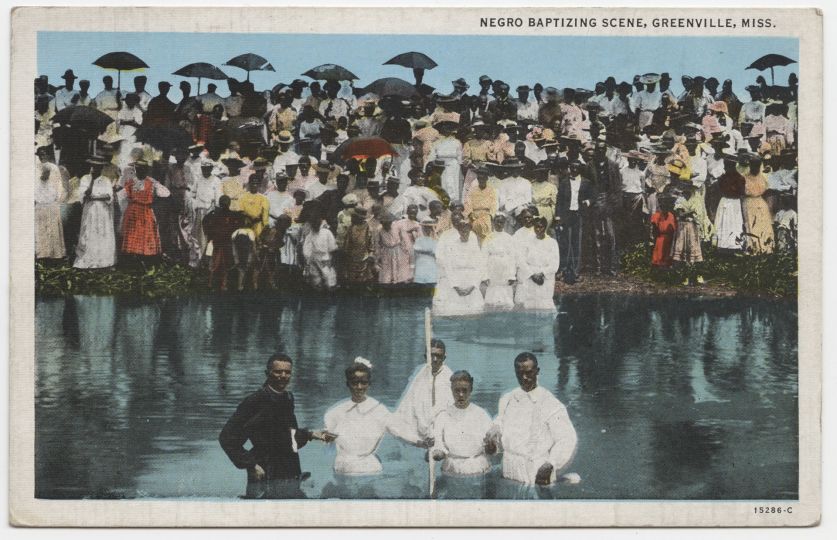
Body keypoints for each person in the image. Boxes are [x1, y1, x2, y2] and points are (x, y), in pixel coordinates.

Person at [219, 353, 334, 499]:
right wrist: (251, 465)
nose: (283, 376)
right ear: (267, 373)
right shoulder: (255, 401)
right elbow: (227, 438)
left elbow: (287, 439)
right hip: (264, 472)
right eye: (278, 372)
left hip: (290, 469)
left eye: (287, 372)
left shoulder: (287, 398)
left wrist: (311, 434)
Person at [487, 352, 578, 486]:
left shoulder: (550, 403)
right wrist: (494, 438)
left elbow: (567, 438)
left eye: (529, 373)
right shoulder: (507, 399)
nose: (524, 378)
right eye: (519, 373)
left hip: (536, 469)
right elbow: (500, 423)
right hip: (508, 467)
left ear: (537, 371)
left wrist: (551, 464)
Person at [430, 370, 495, 479]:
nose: (461, 395)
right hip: (452, 468)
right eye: (457, 390)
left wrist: (491, 447)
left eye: (465, 390)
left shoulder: (481, 414)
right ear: (451, 390)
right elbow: (439, 445)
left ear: (471, 390)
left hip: (478, 467)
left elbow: (491, 450)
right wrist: (436, 454)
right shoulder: (443, 416)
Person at [394, 339, 455, 443]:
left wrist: (437, 433)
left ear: (444, 358)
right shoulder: (421, 375)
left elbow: (450, 408)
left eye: (438, 356)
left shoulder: (449, 377)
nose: (435, 359)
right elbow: (409, 404)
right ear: (426, 357)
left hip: (443, 432)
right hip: (421, 432)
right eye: (432, 355)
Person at [433, 219, 486, 317]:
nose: (464, 233)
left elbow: (480, 267)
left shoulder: (475, 247)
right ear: (458, 231)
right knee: (455, 312)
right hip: (456, 283)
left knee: (473, 314)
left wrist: (473, 286)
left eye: (467, 230)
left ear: (470, 230)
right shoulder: (452, 246)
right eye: (462, 230)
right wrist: (456, 286)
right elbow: (449, 268)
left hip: (471, 283)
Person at [121, 160, 171, 261]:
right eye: (137, 169)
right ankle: (134, 257)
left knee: (146, 233)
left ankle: (146, 257)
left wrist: (154, 196)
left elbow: (166, 193)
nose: (139, 171)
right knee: (133, 233)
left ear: (146, 170)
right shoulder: (131, 182)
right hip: (133, 212)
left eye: (142, 169)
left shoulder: (151, 182)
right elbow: (122, 195)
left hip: (145, 211)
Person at [74, 160, 117, 269]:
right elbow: (85, 195)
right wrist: (92, 180)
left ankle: (102, 260)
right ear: (92, 167)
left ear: (102, 168)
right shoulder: (85, 179)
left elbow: (109, 196)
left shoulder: (106, 180)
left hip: (102, 210)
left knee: (101, 232)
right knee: (89, 232)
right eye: (94, 167)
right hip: (91, 210)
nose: (96, 169)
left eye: (99, 167)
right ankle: (89, 259)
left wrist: (96, 197)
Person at [556, 160, 594, 284]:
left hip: (579, 214)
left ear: (580, 169)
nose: (574, 170)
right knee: (565, 242)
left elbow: (593, 196)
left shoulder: (586, 182)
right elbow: (559, 200)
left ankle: (575, 271)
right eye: (572, 168)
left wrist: (587, 202)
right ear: (569, 168)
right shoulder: (564, 182)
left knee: (577, 242)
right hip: (567, 214)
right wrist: (558, 216)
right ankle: (564, 269)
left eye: (577, 168)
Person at [514, 216, 560, 312]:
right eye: (536, 227)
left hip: (546, 278)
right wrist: (532, 274)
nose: (538, 229)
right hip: (531, 276)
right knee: (531, 305)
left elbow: (555, 264)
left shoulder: (552, 243)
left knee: (545, 305)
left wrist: (542, 273)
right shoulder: (528, 242)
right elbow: (521, 260)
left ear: (545, 227)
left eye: (541, 227)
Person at [203, 195, 245, 291]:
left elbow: (240, 221)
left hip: (226, 243)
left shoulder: (231, 214)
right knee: (215, 264)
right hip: (218, 244)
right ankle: (211, 283)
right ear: (220, 203)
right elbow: (205, 221)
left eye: (226, 203)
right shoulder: (215, 214)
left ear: (229, 204)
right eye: (223, 203)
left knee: (226, 264)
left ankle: (223, 284)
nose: (225, 205)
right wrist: (209, 235)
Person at [481, 214, 517, 311]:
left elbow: (513, 257)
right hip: (492, 268)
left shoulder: (509, 238)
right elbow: (483, 257)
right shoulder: (488, 238)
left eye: (501, 222)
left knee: (505, 295)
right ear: (493, 223)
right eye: (497, 222)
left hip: (505, 269)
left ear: (505, 223)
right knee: (493, 294)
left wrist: (512, 275)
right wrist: (484, 275)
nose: (499, 224)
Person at [35, 157, 67, 260]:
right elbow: (36, 197)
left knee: (52, 231)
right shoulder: (37, 185)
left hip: (50, 208)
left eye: (48, 173)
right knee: (42, 231)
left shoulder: (52, 186)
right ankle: (42, 253)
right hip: (40, 209)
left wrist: (55, 202)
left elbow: (56, 195)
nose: (46, 175)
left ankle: (53, 253)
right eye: (45, 173)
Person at [742, 156, 774, 254]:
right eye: (753, 166)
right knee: (751, 223)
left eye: (757, 166)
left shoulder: (763, 177)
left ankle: (765, 246)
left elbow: (768, 191)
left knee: (762, 223)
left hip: (760, 201)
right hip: (749, 203)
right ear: (750, 166)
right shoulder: (744, 177)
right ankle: (752, 247)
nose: (755, 168)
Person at [713, 155, 746, 251]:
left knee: (732, 223)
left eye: (726, 165)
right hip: (728, 201)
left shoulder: (737, 178)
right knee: (726, 222)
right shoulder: (724, 177)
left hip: (732, 203)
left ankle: (733, 245)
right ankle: (725, 245)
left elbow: (741, 192)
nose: (724, 167)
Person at [302, 214, 338, 291]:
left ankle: (322, 289)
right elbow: (332, 246)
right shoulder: (318, 233)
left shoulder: (321, 232)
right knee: (323, 276)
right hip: (319, 258)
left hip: (321, 258)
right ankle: (323, 290)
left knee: (321, 276)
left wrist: (308, 258)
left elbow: (306, 249)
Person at [463, 165, 498, 243]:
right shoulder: (472, 190)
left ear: (486, 178)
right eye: (479, 178)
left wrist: (490, 215)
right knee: (474, 238)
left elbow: (494, 204)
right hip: (474, 216)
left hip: (486, 216)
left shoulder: (491, 190)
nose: (481, 180)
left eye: (483, 178)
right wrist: (470, 214)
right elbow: (467, 202)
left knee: (486, 239)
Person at [342, 207, 375, 285]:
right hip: (352, 256)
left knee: (362, 276)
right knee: (353, 276)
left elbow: (370, 241)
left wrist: (371, 253)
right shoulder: (351, 227)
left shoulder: (367, 227)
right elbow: (347, 243)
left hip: (363, 255)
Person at [649, 194, 677, 268]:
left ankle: (667, 271)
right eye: (662, 206)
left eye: (667, 206)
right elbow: (654, 229)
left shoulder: (671, 215)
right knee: (659, 256)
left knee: (668, 257)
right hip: (660, 238)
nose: (664, 208)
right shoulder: (656, 216)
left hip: (669, 239)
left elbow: (674, 228)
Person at [413, 218, 438, 285]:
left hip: (431, 266)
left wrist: (424, 251)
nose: (427, 230)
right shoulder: (418, 240)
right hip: (420, 266)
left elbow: (436, 253)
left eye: (429, 228)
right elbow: (415, 252)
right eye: (425, 228)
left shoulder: (435, 240)